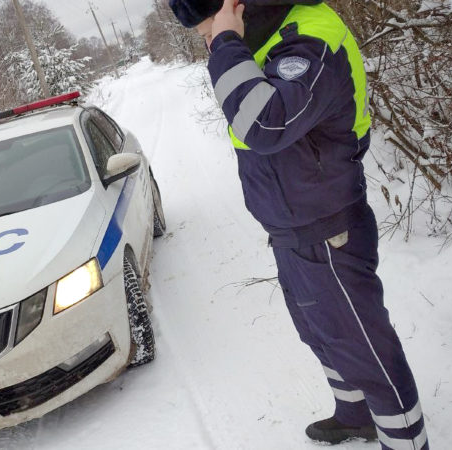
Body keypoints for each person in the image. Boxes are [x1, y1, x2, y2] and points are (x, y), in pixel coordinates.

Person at [169, 1, 428, 448]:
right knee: (322, 335)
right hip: (293, 228)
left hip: (328, 229)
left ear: (235, 6)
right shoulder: (266, 38)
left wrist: (228, 43)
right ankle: (356, 414)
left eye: (205, 25)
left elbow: (263, 123)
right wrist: (231, 41)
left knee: (367, 353)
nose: (203, 38)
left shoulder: (307, 41)